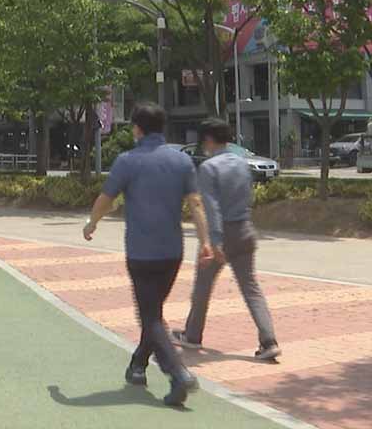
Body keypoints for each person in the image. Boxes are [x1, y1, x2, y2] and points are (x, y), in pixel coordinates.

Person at [83, 102, 214, 407]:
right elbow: (196, 203)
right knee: (153, 313)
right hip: (172, 252)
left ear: (137, 129)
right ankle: (138, 365)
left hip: (141, 253)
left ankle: (178, 373)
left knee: (150, 316)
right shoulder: (181, 161)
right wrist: (205, 241)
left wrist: (92, 223)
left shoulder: (127, 161)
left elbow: (105, 198)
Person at [171, 119, 281, 361]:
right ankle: (269, 341)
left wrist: (215, 241)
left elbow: (211, 207)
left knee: (202, 286)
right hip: (245, 229)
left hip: (222, 233)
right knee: (251, 288)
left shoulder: (209, 168)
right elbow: (248, 197)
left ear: (209, 140)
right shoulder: (242, 164)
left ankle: (192, 335)